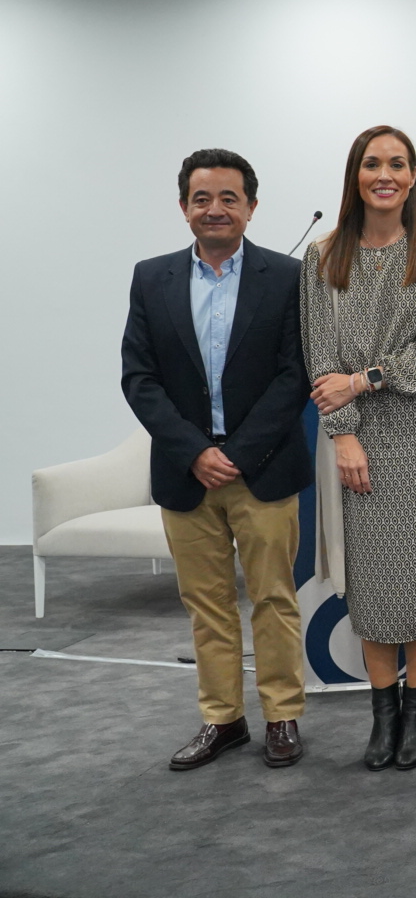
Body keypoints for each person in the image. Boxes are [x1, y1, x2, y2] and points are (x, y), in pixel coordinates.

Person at [121, 148, 312, 770]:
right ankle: (222, 720)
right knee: (206, 605)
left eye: (230, 197)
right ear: (183, 209)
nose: (216, 208)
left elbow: (294, 374)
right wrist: (196, 451)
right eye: (202, 198)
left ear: (251, 208)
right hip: (186, 474)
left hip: (263, 469)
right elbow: (139, 378)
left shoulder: (285, 277)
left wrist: (237, 453)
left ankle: (282, 717)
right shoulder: (152, 278)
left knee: (275, 600)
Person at [300, 125, 416, 770]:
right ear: (356, 175)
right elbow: (318, 356)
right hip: (351, 442)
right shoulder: (321, 257)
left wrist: (363, 379)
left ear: (414, 175)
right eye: (372, 164)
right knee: (369, 585)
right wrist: (343, 435)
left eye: (397, 163)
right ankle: (383, 713)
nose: (385, 174)